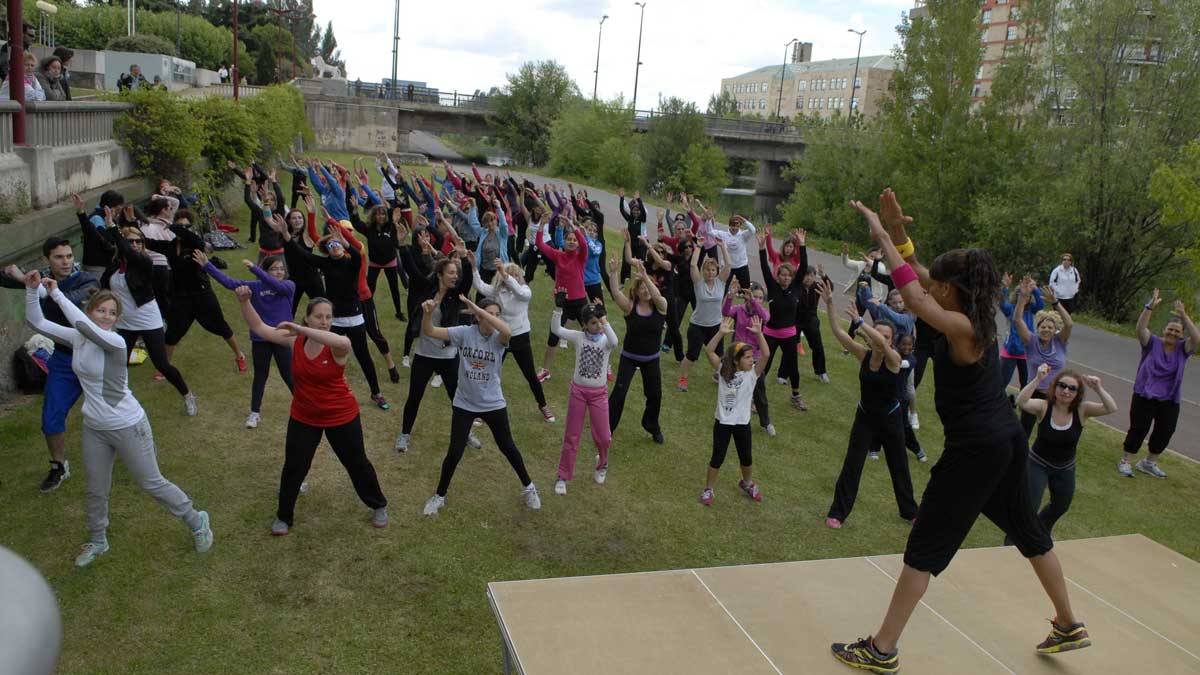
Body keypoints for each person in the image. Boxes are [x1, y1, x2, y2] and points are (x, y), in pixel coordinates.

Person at [832, 190, 1088, 672]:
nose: (933, 284)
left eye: (939, 283)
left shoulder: (961, 326)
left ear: (952, 289)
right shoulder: (974, 308)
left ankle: (881, 649)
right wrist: (899, 233)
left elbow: (912, 293)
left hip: (976, 450)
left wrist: (882, 234)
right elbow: (920, 275)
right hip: (1006, 439)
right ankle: (1068, 624)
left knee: (926, 545)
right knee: (1029, 531)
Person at [24, 273, 213, 567]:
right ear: (90, 311)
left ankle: (196, 520)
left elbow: (81, 324)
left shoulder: (114, 342)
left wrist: (57, 294)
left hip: (128, 424)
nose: (107, 316)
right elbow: (37, 323)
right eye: (101, 310)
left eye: (112, 313)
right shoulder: (78, 337)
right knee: (95, 487)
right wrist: (31, 289)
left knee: (151, 482)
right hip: (95, 427)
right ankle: (98, 539)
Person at [236, 290, 389, 535]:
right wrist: (245, 302)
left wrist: (301, 329)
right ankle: (284, 517)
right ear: (308, 318)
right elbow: (260, 328)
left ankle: (378, 504)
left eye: (328, 317)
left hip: (341, 415)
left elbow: (344, 343)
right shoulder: (295, 340)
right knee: (295, 466)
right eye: (319, 317)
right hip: (304, 415)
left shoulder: (335, 344)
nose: (325, 322)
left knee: (357, 463)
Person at [419, 296, 542, 516]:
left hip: (493, 402)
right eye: (489, 315)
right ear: (477, 317)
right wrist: (427, 314)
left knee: (507, 447)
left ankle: (529, 488)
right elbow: (430, 332)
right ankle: (439, 496)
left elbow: (508, 332)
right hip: (464, 403)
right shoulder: (465, 333)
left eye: (497, 315)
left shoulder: (499, 337)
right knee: (454, 452)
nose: (494, 319)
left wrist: (480, 311)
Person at [819, 279, 918, 529]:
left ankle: (909, 511)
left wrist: (863, 324)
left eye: (886, 336)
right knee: (852, 465)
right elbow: (839, 333)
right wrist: (830, 303)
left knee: (899, 466)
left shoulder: (895, 359)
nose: (881, 339)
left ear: (891, 340)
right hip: (865, 417)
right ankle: (838, 513)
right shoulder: (864, 355)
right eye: (879, 334)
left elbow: (884, 345)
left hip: (892, 418)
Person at [2, 238, 98, 492]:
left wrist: (28, 283)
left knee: (114, 410)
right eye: (59, 257)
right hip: (64, 360)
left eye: (68, 256)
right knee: (51, 416)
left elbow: (69, 299)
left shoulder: (87, 280)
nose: (66, 261)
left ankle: (135, 449)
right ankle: (58, 466)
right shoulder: (40, 278)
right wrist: (17, 276)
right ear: (47, 260)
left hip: (95, 359)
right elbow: (4, 277)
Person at [99, 213, 198, 415]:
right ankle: (119, 402)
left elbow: (131, 254)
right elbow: (104, 286)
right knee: (119, 363)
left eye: (138, 241)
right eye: (130, 241)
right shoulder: (114, 267)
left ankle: (188, 395)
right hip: (125, 322)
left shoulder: (144, 262)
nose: (135, 244)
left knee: (162, 364)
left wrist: (113, 228)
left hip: (147, 319)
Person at [394, 229, 478, 452]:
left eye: (456, 273)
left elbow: (467, 281)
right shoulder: (426, 288)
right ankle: (404, 435)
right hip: (424, 356)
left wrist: (464, 260)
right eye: (451, 273)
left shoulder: (455, 294)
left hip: (448, 356)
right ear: (440, 274)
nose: (454, 276)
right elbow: (411, 268)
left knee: (457, 399)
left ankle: (467, 433)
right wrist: (403, 245)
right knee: (414, 397)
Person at [1013, 365, 1117, 537]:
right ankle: (1014, 539)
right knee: (1030, 504)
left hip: (1065, 467)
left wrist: (1098, 388)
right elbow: (1021, 402)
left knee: (1061, 505)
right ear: (1055, 387)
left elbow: (1111, 408)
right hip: (1038, 463)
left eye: (1072, 388)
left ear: (1077, 393)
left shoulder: (1082, 410)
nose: (1066, 391)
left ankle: (1041, 529)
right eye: (1062, 385)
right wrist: (1038, 379)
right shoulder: (1043, 406)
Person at [202, 252, 296, 429]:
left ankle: (304, 408)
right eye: (274, 269)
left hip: (282, 338)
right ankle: (254, 413)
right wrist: (207, 265)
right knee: (260, 375)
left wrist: (254, 269)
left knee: (289, 375)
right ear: (266, 270)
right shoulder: (255, 287)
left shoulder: (289, 286)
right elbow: (228, 282)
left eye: (281, 269)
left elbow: (277, 286)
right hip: (260, 338)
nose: (279, 272)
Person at [1118, 290, 1198, 479]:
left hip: (1169, 398)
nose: (1172, 333)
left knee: (1165, 431)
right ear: (1164, 330)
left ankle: (1149, 462)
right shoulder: (1151, 343)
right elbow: (1140, 329)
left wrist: (1184, 316)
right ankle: (1126, 461)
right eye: (1170, 329)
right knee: (1138, 428)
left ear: (1181, 335)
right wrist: (1150, 306)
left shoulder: (1183, 349)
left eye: (1177, 331)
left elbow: (1196, 338)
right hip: (1144, 395)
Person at [699, 316, 770, 506]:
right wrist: (721, 333)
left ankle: (747, 483)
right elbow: (709, 350)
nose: (751, 359)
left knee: (746, 457)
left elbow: (766, 355)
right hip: (723, 422)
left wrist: (760, 334)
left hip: (742, 423)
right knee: (717, 457)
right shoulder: (723, 371)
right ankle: (708, 489)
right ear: (736, 361)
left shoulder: (753, 374)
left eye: (751, 357)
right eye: (747, 357)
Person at [473, 259, 555, 422]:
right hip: (501, 337)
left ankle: (543, 404)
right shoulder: (497, 291)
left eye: (516, 275)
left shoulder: (525, 290)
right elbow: (480, 286)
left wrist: (506, 275)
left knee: (530, 375)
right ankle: (480, 410)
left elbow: (520, 292)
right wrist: (474, 267)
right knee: (490, 372)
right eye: (509, 275)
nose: (513, 277)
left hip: (520, 338)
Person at [552, 303, 619, 496]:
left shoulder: (606, 340)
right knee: (572, 436)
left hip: (599, 394)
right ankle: (563, 476)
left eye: (600, 322)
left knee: (604, 436)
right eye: (593, 323)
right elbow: (556, 329)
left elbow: (614, 342)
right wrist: (558, 309)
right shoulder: (579, 337)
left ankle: (602, 464)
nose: (598, 326)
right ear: (585, 324)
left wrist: (604, 319)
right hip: (578, 393)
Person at [607, 257, 668, 444]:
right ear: (636, 291)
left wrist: (645, 277)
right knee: (619, 393)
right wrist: (614, 272)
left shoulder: (661, 306)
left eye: (648, 287)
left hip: (651, 359)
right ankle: (607, 428)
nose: (646, 291)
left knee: (654, 395)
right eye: (641, 288)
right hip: (630, 357)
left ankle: (652, 425)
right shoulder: (630, 307)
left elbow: (657, 296)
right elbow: (616, 292)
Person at [1013, 277, 1073, 438]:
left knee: (1050, 433)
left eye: (1050, 327)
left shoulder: (1060, 341)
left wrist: (1055, 303)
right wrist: (1022, 298)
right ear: (1037, 328)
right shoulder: (1031, 341)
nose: (1046, 330)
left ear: (1055, 330)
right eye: (1042, 327)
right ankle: (1017, 459)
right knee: (1023, 431)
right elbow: (1017, 320)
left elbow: (1069, 324)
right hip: (1033, 394)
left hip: (1055, 395)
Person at [535, 207, 589, 383]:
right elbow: (541, 245)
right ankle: (545, 370)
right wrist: (542, 225)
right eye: (569, 239)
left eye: (574, 240)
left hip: (580, 301)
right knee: (553, 336)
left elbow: (584, 244)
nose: (572, 242)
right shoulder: (559, 256)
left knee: (593, 333)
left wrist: (573, 225)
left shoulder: (581, 257)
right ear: (564, 242)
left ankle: (603, 367)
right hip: (563, 302)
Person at [757, 233, 808, 410]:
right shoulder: (772, 287)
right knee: (764, 365)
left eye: (788, 275)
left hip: (789, 335)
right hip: (770, 333)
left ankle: (796, 396)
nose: (785, 278)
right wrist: (762, 247)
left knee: (792, 367)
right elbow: (764, 267)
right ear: (777, 276)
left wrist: (802, 245)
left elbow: (803, 268)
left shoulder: (796, 288)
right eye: (782, 275)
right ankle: (755, 397)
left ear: (792, 278)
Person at [722, 277, 773, 435]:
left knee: (759, 391)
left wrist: (754, 302)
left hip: (754, 357)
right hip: (737, 356)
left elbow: (766, 318)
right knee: (732, 387)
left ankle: (766, 423)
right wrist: (730, 296)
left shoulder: (761, 314)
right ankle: (730, 417)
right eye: (754, 296)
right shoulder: (739, 309)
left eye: (759, 297)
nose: (756, 299)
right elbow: (725, 312)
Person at [678, 238, 730, 391]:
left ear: (716, 271)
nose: (710, 272)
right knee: (692, 355)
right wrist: (699, 246)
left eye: (713, 270)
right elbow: (693, 265)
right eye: (707, 269)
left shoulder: (721, 283)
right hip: (698, 326)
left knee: (719, 355)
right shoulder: (698, 283)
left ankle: (719, 376)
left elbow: (728, 265)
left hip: (715, 326)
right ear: (703, 271)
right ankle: (683, 379)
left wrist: (722, 246)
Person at [999, 271, 1045, 399]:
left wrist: (1035, 288)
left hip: (1026, 352)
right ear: (1017, 295)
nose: (1025, 297)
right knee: (1002, 381)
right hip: (1010, 351)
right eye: (1022, 294)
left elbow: (1041, 304)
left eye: (1028, 295)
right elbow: (1002, 303)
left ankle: (1023, 404)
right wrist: (1005, 288)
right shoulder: (1010, 308)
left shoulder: (1032, 309)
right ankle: (998, 402)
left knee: (1026, 382)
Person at [703, 214, 756, 289]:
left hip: (741, 265)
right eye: (733, 226)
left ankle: (748, 301)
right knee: (722, 288)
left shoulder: (743, 235)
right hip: (727, 266)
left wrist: (743, 220)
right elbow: (709, 231)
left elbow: (753, 230)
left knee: (746, 289)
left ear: (740, 226)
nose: (735, 228)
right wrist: (708, 220)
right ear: (729, 225)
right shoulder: (723, 235)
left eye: (737, 226)